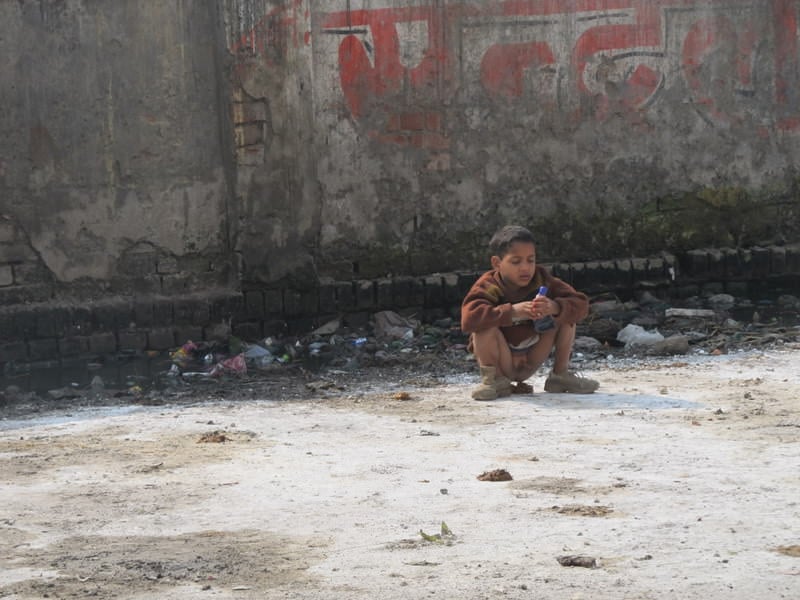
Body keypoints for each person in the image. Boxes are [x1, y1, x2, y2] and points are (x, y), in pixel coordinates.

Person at [460, 225, 599, 400]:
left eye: (530, 260)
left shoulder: (542, 279)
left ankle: (560, 375)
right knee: (482, 327)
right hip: (503, 361)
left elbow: (581, 305)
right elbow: (469, 319)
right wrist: (512, 312)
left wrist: (554, 307)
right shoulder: (489, 286)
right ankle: (493, 381)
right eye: (516, 262)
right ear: (497, 263)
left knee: (566, 314)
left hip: (533, 355)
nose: (525, 268)